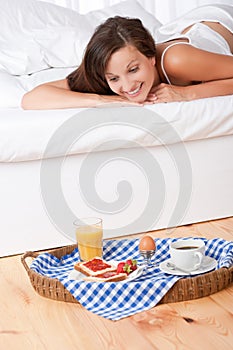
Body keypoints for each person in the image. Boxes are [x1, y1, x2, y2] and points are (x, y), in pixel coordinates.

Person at [21, 4, 233, 110]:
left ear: (151, 58)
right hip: (179, 29)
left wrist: (187, 94)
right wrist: (103, 100)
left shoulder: (176, 61)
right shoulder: (109, 75)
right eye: (113, 78)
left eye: (133, 70)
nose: (127, 85)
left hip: (221, 20)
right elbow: (30, 99)